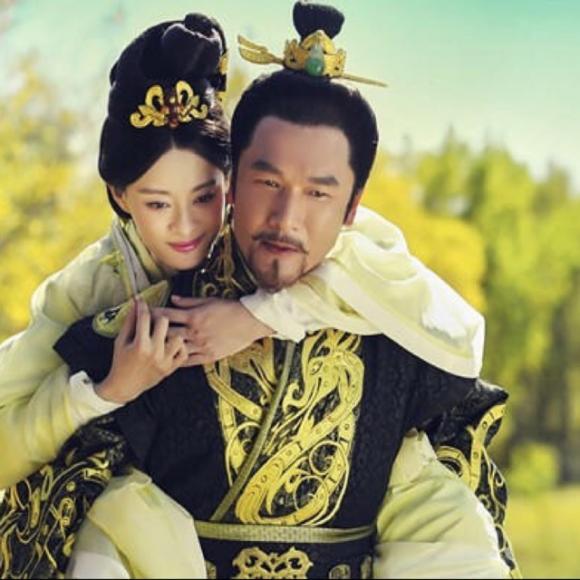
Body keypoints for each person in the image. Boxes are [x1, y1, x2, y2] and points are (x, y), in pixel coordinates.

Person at [0, 4, 518, 579]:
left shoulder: (375, 294)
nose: (287, 218)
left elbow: (452, 333)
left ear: (352, 206)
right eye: (267, 182)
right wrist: (102, 392)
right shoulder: (119, 308)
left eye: (318, 194)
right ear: (238, 182)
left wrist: (263, 314)